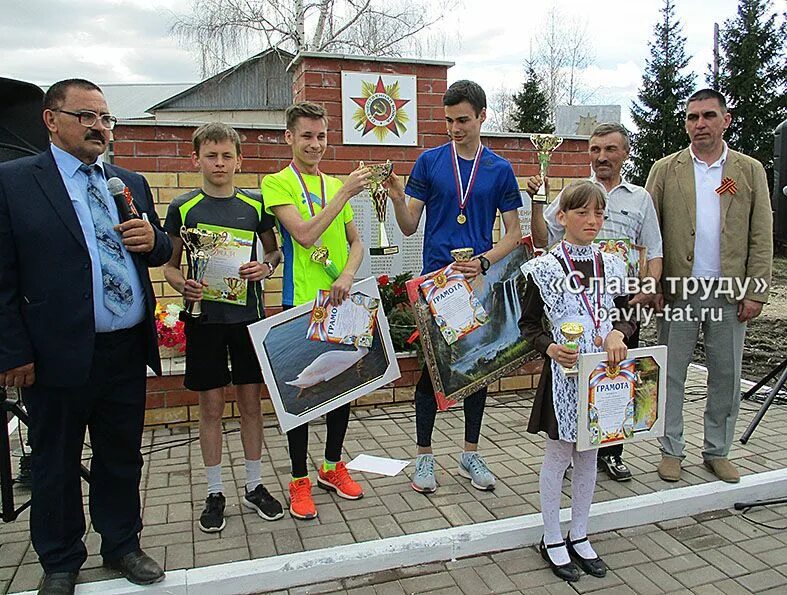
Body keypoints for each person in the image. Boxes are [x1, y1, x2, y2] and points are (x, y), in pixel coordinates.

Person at [0, 79, 172, 594]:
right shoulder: (14, 182)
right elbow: (3, 275)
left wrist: (154, 240)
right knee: (55, 460)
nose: (100, 126)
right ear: (51, 120)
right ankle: (60, 560)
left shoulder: (128, 183)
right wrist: (12, 350)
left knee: (121, 454)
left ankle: (122, 545)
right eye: (87, 116)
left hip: (124, 348)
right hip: (55, 354)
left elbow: (160, 250)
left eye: (106, 118)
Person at [386, 80, 523, 494]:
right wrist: (395, 193)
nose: (454, 128)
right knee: (433, 371)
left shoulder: (499, 169)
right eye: (448, 121)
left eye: (462, 120)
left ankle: (470, 453)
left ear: (483, 116)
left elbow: (513, 233)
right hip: (437, 284)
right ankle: (424, 458)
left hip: (476, 282)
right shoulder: (429, 162)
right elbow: (410, 225)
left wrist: (483, 261)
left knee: (477, 369)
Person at [646, 89, 772, 484]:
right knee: (672, 373)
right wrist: (654, 284)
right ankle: (671, 450)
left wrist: (756, 291)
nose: (699, 124)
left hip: (728, 292)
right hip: (678, 291)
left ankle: (718, 450)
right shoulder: (666, 169)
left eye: (708, 116)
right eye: (692, 117)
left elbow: (761, 235)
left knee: (726, 374)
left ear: (725, 120)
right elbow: (650, 235)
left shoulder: (749, 171)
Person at [163, 122, 284, 533]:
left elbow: (274, 252)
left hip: (247, 319)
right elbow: (170, 266)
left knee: (252, 404)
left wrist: (263, 268)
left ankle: (254, 485)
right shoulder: (183, 207)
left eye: (226, 155)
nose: (219, 163)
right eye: (211, 155)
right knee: (211, 408)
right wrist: (185, 286)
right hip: (205, 322)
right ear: (196, 158)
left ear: (239, 159)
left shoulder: (255, 204)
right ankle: (215, 491)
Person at [531, 123, 663, 482]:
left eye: (610, 149)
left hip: (618, 306)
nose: (601, 156)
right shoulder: (573, 195)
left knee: (615, 380)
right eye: (595, 149)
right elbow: (542, 237)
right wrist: (538, 199)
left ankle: (612, 450)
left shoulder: (640, 198)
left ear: (625, 153)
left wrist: (646, 290)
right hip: (578, 305)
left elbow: (655, 248)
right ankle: (577, 445)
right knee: (578, 384)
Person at [261, 101, 370, 520]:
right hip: (302, 303)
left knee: (340, 387)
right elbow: (305, 235)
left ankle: (330, 466)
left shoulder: (334, 183)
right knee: (304, 394)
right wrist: (343, 193)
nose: (315, 144)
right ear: (289, 137)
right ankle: (298, 480)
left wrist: (346, 276)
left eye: (322, 135)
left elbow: (356, 243)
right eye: (306, 135)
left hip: (340, 300)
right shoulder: (278, 183)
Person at [520, 180, 634, 582]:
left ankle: (580, 534)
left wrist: (619, 332)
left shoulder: (614, 264)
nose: (592, 220)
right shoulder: (544, 269)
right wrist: (550, 348)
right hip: (564, 377)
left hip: (603, 377)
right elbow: (529, 325)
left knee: (589, 456)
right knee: (558, 457)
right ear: (562, 216)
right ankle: (552, 537)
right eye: (582, 212)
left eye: (598, 213)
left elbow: (627, 315)